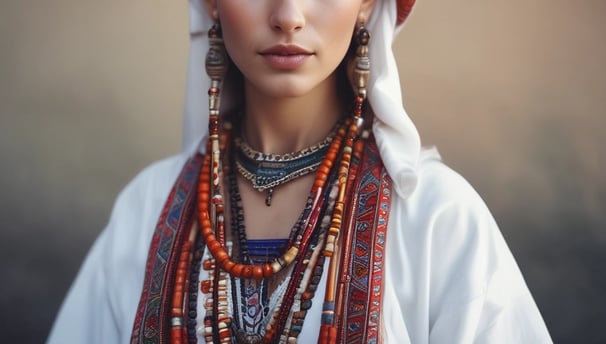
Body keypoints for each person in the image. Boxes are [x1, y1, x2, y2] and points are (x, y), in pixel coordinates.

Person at [48, 0, 553, 343]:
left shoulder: (437, 217)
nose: (288, 15)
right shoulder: (148, 207)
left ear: (366, 4)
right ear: (211, 4)